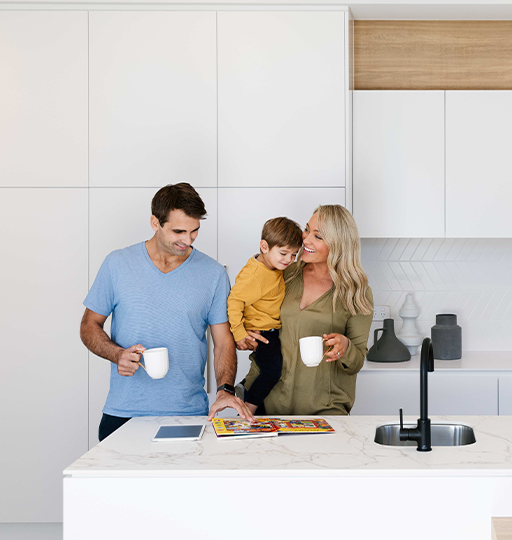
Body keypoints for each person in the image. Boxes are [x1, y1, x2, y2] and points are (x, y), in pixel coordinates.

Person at [80, 183, 253, 442]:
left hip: (188, 415)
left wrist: (225, 389)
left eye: (194, 231)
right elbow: (89, 325)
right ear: (155, 222)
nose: (187, 239)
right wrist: (117, 355)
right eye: (178, 231)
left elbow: (223, 341)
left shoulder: (213, 273)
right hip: (123, 414)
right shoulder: (117, 264)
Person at [240, 205, 374, 416]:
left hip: (325, 410)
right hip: (268, 404)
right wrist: (246, 334)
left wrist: (345, 346)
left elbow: (356, 361)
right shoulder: (284, 273)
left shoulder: (355, 292)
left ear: (339, 244)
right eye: (307, 229)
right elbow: (251, 309)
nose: (306, 239)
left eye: (318, 236)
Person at [227, 217, 303, 416]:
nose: (288, 260)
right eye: (284, 253)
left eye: (294, 254)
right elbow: (234, 301)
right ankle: (248, 408)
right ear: (264, 246)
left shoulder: (271, 265)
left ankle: (246, 388)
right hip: (263, 333)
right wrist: (239, 333)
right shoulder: (254, 276)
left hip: (271, 329)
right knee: (272, 372)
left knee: (271, 368)